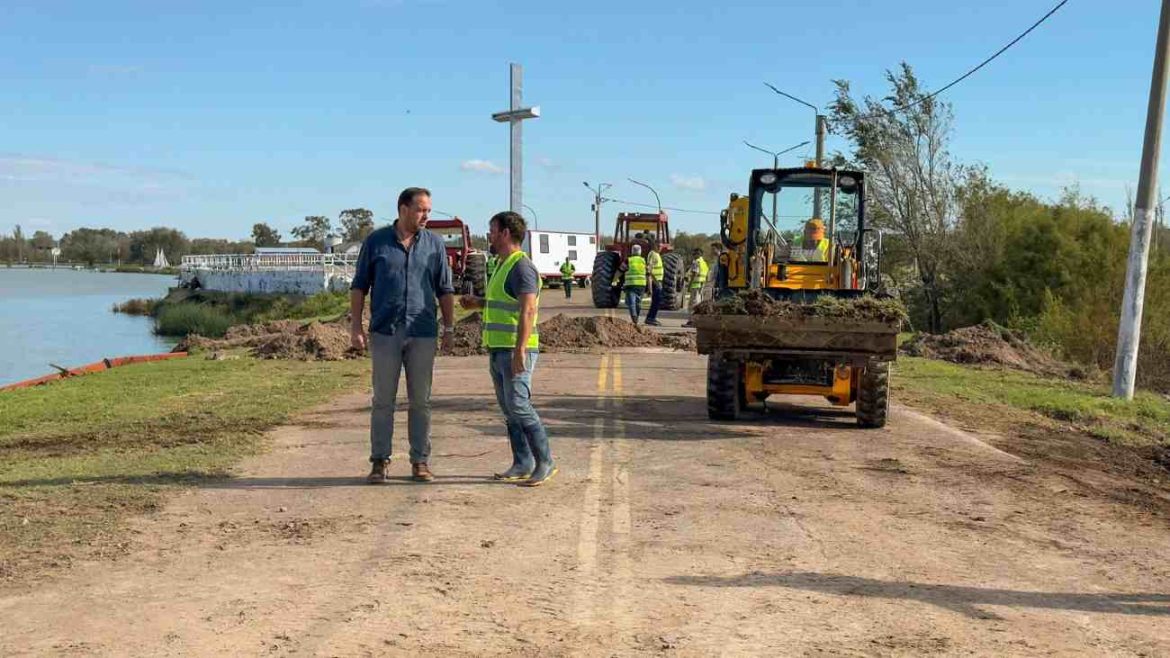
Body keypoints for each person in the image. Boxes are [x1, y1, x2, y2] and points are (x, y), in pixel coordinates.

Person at [351, 187, 456, 485]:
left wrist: (449, 328)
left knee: (421, 401)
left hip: (422, 332)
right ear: (403, 209)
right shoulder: (376, 242)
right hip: (385, 332)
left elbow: (445, 290)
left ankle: (420, 461)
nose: (426, 215)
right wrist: (356, 327)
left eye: (429, 210)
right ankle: (379, 461)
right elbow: (359, 286)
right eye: (421, 209)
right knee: (383, 400)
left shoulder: (435, 245)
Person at [459, 211, 557, 487]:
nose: (488, 235)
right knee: (509, 409)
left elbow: (527, 311)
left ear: (504, 233)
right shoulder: (501, 265)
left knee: (519, 405)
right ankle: (522, 462)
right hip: (498, 348)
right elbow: (506, 303)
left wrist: (520, 351)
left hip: (515, 350)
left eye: (491, 230)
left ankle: (545, 462)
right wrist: (478, 302)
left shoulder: (521, 267)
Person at [623, 244, 650, 325]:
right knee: (638, 302)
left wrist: (615, 279)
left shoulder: (628, 260)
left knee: (631, 302)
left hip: (631, 284)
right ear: (640, 251)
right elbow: (648, 274)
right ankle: (636, 317)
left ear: (632, 251)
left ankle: (634, 318)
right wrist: (650, 288)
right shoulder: (644, 261)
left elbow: (621, 270)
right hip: (641, 285)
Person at [644, 240, 665, 326]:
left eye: (661, 246)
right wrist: (650, 287)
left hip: (658, 281)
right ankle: (651, 318)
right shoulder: (653, 254)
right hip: (655, 282)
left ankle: (651, 317)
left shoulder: (657, 255)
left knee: (657, 301)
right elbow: (649, 271)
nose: (660, 248)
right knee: (656, 301)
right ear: (654, 246)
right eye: (658, 246)